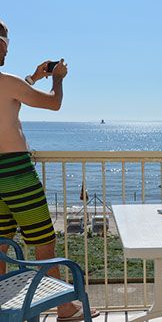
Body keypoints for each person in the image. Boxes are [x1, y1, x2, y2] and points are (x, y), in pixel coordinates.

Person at [0, 21, 99, 320]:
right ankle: (65, 307)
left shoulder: (13, 83)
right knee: (43, 242)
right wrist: (57, 79)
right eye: (5, 44)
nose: (6, 50)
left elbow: (11, 99)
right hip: (16, 175)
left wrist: (33, 76)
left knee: (1, 243)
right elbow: (54, 104)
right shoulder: (7, 81)